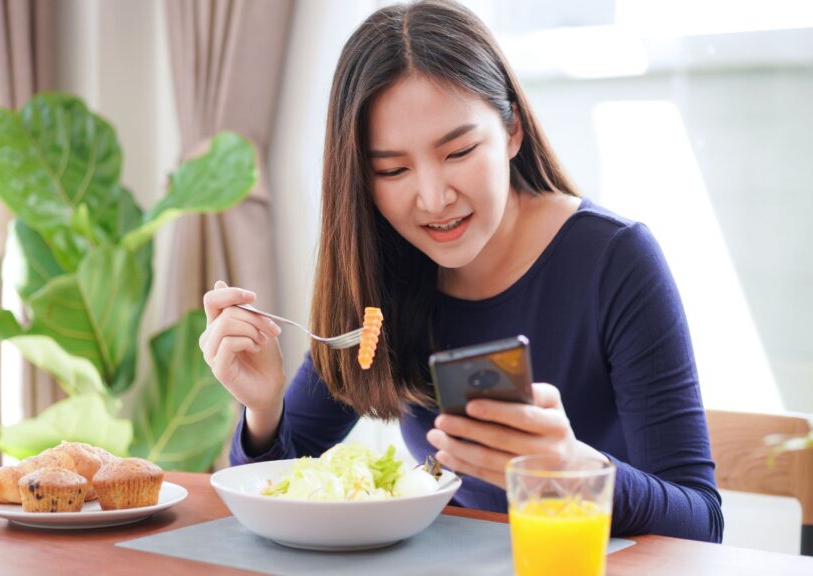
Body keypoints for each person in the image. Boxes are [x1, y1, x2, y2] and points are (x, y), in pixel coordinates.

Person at [199, 0, 723, 542]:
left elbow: (702, 522)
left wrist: (572, 471)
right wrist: (263, 407)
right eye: (393, 169)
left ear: (512, 129)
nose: (433, 198)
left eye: (459, 151)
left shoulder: (614, 259)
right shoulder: (383, 276)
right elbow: (272, 483)